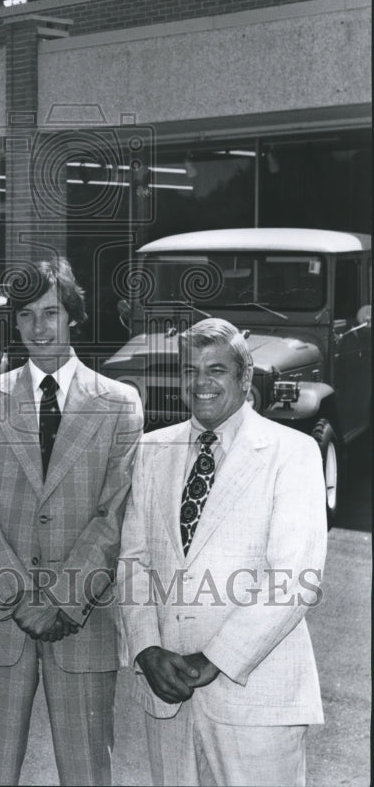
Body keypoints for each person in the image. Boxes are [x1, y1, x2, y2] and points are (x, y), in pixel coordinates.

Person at [0, 257, 144, 786]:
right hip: (1, 619)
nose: (39, 328)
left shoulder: (119, 404)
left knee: (87, 771)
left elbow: (116, 512)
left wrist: (60, 600)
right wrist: (20, 596)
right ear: (14, 323)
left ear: (73, 318)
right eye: (27, 316)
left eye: (51, 313)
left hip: (82, 618)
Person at [119, 317, 327, 787]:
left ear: (244, 378)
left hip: (256, 697)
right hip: (167, 694)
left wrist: (215, 659)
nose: (201, 383)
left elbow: (294, 578)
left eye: (216, 370)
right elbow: (133, 561)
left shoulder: (291, 452)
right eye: (190, 371)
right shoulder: (152, 450)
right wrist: (147, 649)